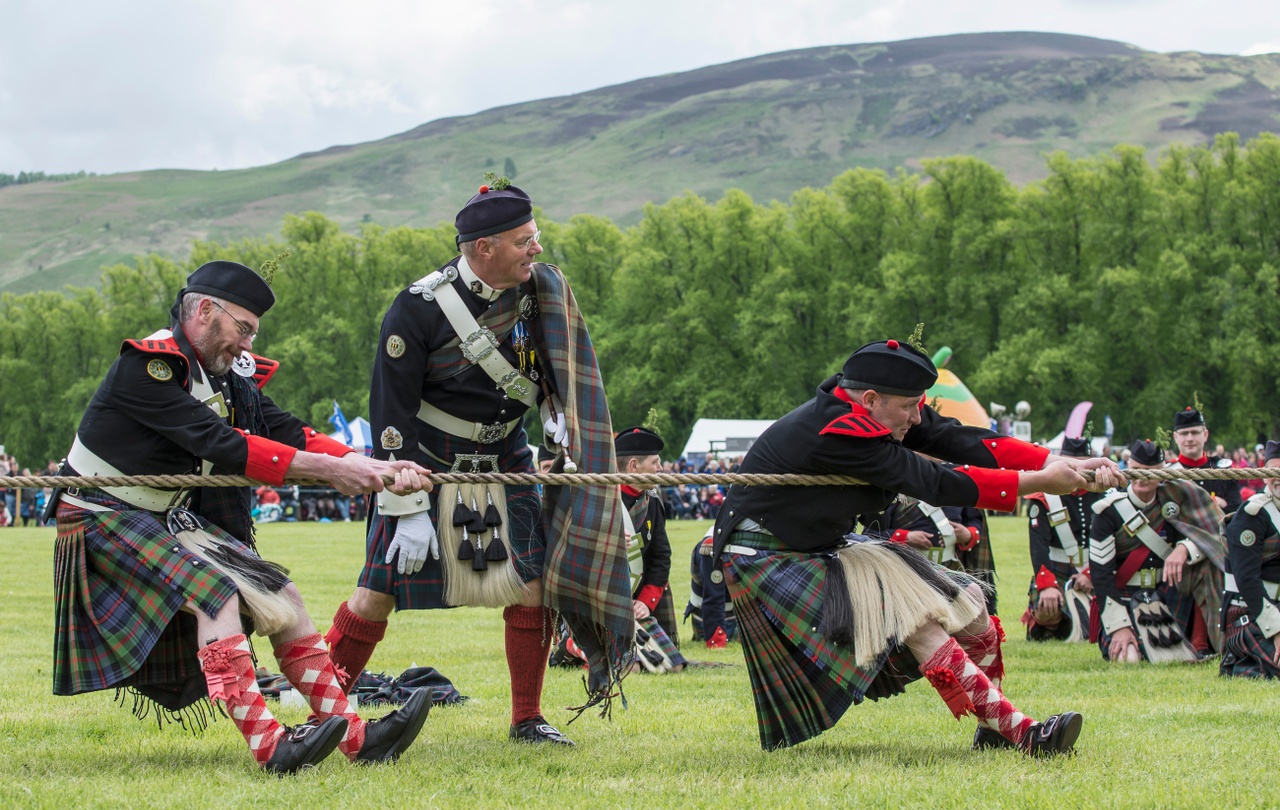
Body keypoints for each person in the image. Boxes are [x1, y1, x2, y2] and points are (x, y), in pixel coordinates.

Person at [50, 260, 433, 774]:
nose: (248, 344)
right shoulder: (147, 367)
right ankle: (271, 746)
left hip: (162, 516)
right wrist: (327, 469)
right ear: (206, 311)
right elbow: (220, 443)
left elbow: (284, 431)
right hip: (102, 515)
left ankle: (357, 736)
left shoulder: (224, 377)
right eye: (244, 329)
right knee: (216, 593)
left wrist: (366, 464)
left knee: (283, 595)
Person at [325, 180, 630, 747]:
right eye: (524, 241)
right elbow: (390, 417)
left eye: (535, 237)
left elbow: (559, 360)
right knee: (377, 593)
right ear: (483, 248)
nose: (536, 249)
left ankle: (527, 718)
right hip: (426, 463)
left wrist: (557, 414)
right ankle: (323, 709)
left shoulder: (540, 291)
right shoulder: (416, 308)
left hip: (506, 458)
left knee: (531, 585)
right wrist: (408, 504)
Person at [712, 339, 1122, 755]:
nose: (917, 415)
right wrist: (1039, 483)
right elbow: (937, 481)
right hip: (767, 553)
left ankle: (992, 728)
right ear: (871, 399)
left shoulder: (880, 410)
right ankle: (1025, 734)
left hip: (819, 543)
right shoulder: (840, 434)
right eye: (910, 406)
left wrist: (1048, 459)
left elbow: (954, 438)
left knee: (973, 600)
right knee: (915, 617)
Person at [1089, 439, 1227, 663]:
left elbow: (1213, 537)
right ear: (1127, 470)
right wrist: (1118, 628)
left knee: (1173, 657)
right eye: (1137, 471)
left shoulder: (1176, 501)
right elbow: (1101, 575)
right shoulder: (1108, 513)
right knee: (1129, 658)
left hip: (1166, 598)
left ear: (1163, 475)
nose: (1143, 478)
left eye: (1150, 472)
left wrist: (1184, 548)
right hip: (1125, 598)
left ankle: (1204, 640)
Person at [616, 426, 686, 673]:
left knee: (673, 666)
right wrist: (607, 544)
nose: (661, 469)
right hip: (600, 600)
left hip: (635, 598)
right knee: (631, 669)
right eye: (655, 463)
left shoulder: (652, 502)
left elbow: (660, 556)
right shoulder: (600, 499)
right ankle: (572, 644)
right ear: (634, 466)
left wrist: (646, 601)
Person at [1022, 437, 1102, 642]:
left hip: (1099, 568)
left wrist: (1091, 573)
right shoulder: (1043, 497)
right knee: (1047, 611)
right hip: (1057, 570)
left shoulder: (1105, 494)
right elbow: (1038, 545)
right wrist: (1047, 585)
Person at [857, 494, 995, 613]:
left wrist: (969, 534)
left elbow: (974, 519)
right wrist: (906, 537)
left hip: (951, 568)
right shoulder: (898, 485)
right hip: (906, 573)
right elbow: (871, 532)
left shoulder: (959, 483)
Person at [1220, 441, 1280, 678]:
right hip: (1249, 610)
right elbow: (1247, 581)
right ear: (1263, 474)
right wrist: (1276, 629)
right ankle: (1243, 659)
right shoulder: (1252, 514)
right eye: (1273, 470)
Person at [1168, 406, 1242, 514]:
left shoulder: (1222, 471)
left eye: (1195, 433)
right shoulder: (1167, 473)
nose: (1189, 439)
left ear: (1205, 435)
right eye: (1184, 433)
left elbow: (1235, 512)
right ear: (1175, 437)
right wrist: (1215, 502)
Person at [685, 524, 737, 647]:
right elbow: (713, 596)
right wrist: (717, 641)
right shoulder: (712, 544)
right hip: (716, 621)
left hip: (740, 615)